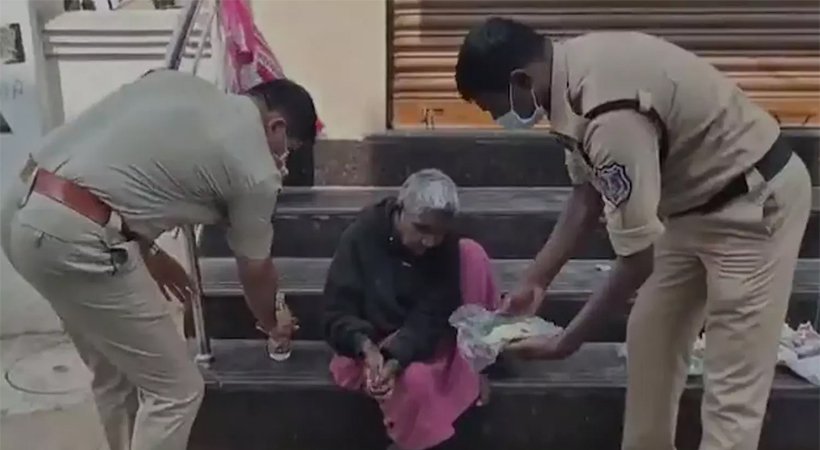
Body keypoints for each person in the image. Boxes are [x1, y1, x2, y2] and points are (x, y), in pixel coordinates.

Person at [454, 17, 812, 450]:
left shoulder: (608, 114)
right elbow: (586, 196)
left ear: (521, 80)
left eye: (496, 107)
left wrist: (568, 342)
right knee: (651, 344)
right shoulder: (568, 78)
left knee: (731, 379)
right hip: (688, 206)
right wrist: (536, 279)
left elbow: (637, 259)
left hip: (753, 206)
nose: (499, 118)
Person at [0, 70, 317, 450]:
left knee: (115, 374)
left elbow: (126, 170)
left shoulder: (174, 83)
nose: (284, 163)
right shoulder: (256, 169)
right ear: (276, 126)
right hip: (74, 236)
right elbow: (255, 268)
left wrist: (149, 250)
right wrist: (272, 321)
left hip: (20, 205)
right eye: (289, 150)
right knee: (177, 392)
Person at [323, 169, 497, 450]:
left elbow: (435, 313)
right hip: (371, 342)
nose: (430, 242)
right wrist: (367, 348)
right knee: (416, 385)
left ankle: (476, 366)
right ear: (400, 212)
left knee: (472, 255)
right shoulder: (361, 237)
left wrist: (396, 358)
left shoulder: (445, 246)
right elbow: (336, 312)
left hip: (423, 341)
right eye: (422, 229)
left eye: (439, 233)